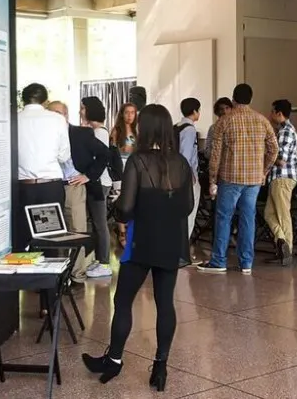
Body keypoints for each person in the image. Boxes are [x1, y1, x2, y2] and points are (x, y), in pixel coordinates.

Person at [81, 104, 192, 391]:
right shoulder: (180, 162)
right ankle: (160, 366)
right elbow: (188, 206)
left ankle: (114, 360)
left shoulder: (138, 162)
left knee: (124, 301)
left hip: (141, 242)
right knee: (165, 303)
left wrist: (120, 207)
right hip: (169, 242)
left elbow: (126, 210)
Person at [198, 84, 278, 275]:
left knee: (224, 218)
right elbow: (274, 149)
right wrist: (264, 170)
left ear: (233, 99)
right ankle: (246, 263)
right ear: (251, 99)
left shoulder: (224, 122)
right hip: (253, 180)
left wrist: (212, 180)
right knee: (248, 218)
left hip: (230, 178)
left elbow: (215, 154)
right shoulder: (262, 121)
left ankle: (219, 261)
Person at [47, 101, 108, 283]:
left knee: (77, 230)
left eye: (58, 113)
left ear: (66, 115)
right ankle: (58, 273)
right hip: (51, 185)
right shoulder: (45, 134)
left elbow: (105, 153)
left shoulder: (81, 133)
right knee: (54, 230)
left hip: (73, 185)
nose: (54, 117)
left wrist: (88, 176)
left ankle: (77, 274)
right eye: (51, 114)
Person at [15, 84, 70, 253]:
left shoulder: (13, 119)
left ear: (23, 100)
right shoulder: (57, 119)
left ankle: (25, 277)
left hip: (23, 187)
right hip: (49, 187)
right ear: (46, 101)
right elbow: (64, 156)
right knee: (49, 238)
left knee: (22, 237)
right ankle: (49, 276)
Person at [80, 96, 114, 279]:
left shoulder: (99, 132)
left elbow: (100, 158)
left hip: (100, 183)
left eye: (83, 108)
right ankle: (100, 259)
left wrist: (87, 175)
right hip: (98, 182)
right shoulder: (94, 130)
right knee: (96, 223)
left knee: (100, 224)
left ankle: (105, 262)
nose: (80, 112)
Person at [264, 99, 297, 266]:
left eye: (272, 111)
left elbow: (281, 160)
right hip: (277, 178)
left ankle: (287, 251)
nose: (270, 115)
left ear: (279, 113)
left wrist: (267, 154)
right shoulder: (282, 131)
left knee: (283, 214)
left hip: (283, 178)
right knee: (269, 214)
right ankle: (282, 242)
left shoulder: (286, 132)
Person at [175, 98, 201, 266]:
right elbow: (185, 154)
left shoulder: (176, 127)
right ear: (195, 111)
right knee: (189, 214)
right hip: (187, 178)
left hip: (176, 176)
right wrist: (190, 175)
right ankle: (181, 253)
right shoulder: (189, 129)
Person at [110, 102, 138, 248]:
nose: (130, 116)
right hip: (120, 168)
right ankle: (121, 232)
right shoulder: (116, 131)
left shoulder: (136, 130)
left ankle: (131, 231)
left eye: (132, 112)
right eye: (127, 112)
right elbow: (114, 152)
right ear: (122, 114)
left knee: (133, 200)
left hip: (133, 167)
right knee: (120, 200)